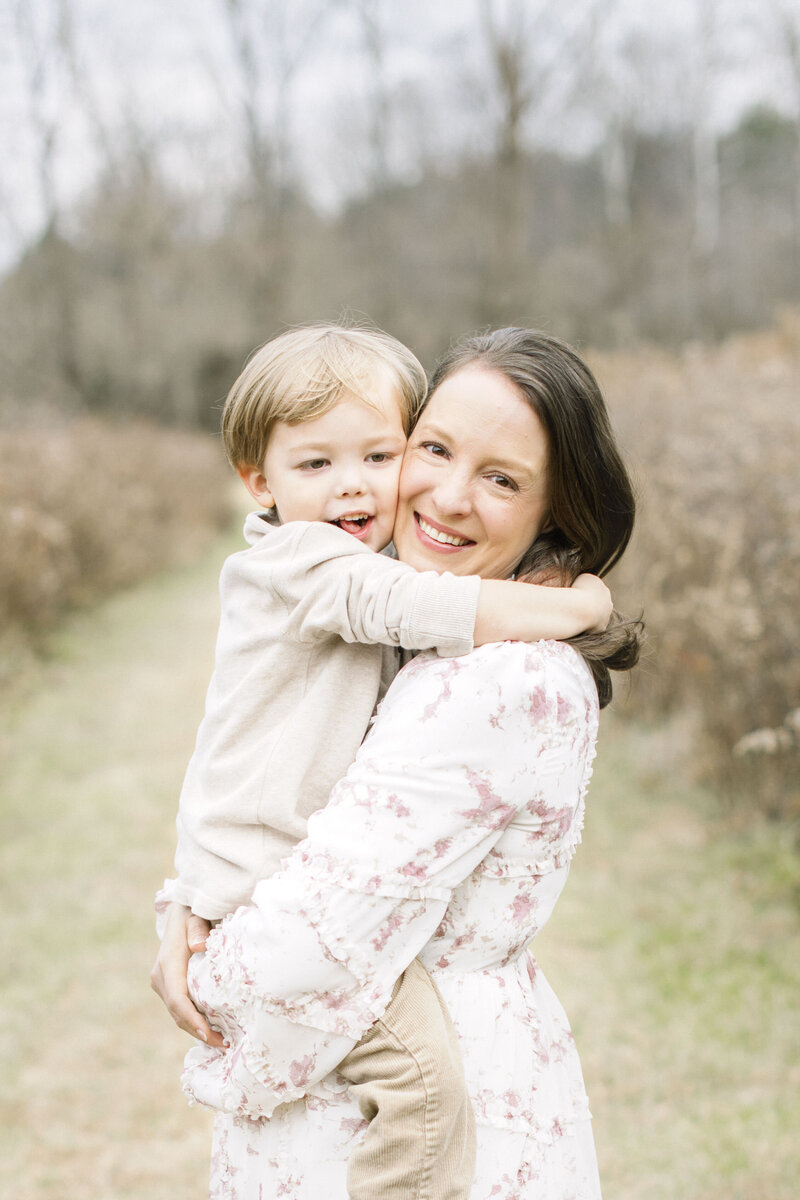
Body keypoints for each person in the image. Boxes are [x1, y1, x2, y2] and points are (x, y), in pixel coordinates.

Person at [152, 326, 642, 1200]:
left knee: (421, 1101)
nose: (447, 496)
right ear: (260, 479)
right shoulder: (347, 581)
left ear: (554, 509)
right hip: (360, 1070)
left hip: (410, 1085)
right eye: (435, 449)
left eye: (500, 478)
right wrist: (186, 899)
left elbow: (298, 958)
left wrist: (201, 969)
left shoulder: (500, 680)